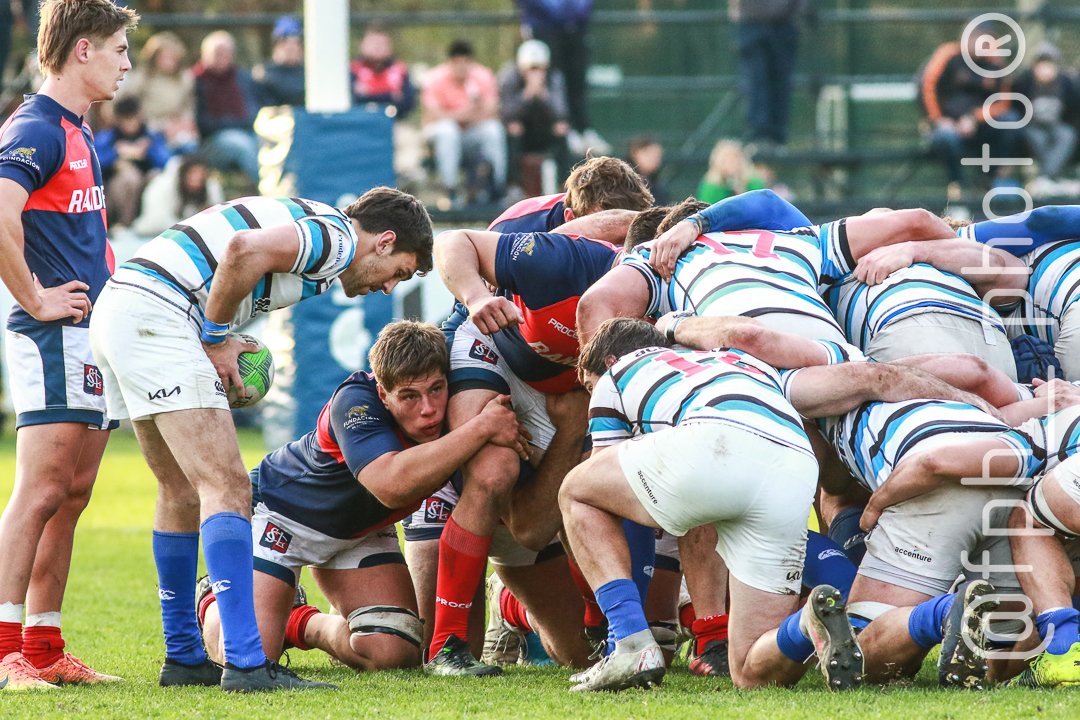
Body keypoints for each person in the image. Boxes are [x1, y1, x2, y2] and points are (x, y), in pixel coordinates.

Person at [87, 187, 434, 692]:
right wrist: (214, 337)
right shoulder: (337, 238)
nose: (388, 287)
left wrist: (219, 332)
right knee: (227, 486)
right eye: (398, 271)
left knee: (180, 491)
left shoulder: (317, 224)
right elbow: (242, 249)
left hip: (123, 308)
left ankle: (183, 655)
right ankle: (247, 665)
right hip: (161, 313)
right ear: (383, 241)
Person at [563, 317, 989, 691]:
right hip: (793, 464)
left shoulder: (617, 375)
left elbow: (604, 487)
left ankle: (629, 642)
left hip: (712, 441)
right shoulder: (740, 361)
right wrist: (984, 406)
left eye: (588, 386)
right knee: (750, 671)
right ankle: (812, 624)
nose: (591, 394)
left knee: (575, 491)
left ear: (608, 361)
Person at [199, 321, 527, 672]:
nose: (429, 408)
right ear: (383, 395)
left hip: (360, 533)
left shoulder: (458, 399)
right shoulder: (355, 401)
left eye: (436, 389)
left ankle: (300, 621)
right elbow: (391, 485)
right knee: (247, 656)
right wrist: (481, 427)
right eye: (409, 396)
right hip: (281, 517)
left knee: (395, 652)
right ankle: (211, 597)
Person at [0, 0, 138, 690]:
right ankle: (4, 653)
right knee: (42, 488)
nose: (127, 64)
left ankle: (45, 646)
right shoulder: (35, 128)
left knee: (74, 493)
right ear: (83, 49)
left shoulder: (77, 130)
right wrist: (33, 298)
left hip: (89, 335)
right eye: (119, 49)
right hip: (51, 335)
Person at [918, 22, 1023, 200]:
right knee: (946, 137)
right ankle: (958, 187)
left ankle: (989, 180)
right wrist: (938, 119)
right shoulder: (948, 55)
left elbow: (1002, 104)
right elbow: (926, 88)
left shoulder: (996, 64)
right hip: (947, 126)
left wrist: (974, 118)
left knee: (1010, 120)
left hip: (980, 128)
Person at [421, 39, 507, 208]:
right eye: (457, 62)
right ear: (450, 62)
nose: (462, 67)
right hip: (442, 135)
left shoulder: (482, 76)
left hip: (472, 132)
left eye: (466, 62)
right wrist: (463, 114)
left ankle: (497, 188)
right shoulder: (435, 78)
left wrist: (466, 116)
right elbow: (433, 114)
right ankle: (450, 190)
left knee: (493, 130)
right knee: (448, 130)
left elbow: (492, 110)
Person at [515, 0, 608, 156]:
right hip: (544, 27)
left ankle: (583, 129)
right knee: (554, 82)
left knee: (577, 83)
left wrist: (572, 13)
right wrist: (558, 11)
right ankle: (567, 129)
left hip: (575, 27)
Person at [729, 0, 806, 148]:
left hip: (783, 22)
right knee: (755, 82)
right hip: (751, 22)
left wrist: (801, 8)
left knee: (780, 84)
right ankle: (759, 138)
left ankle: (776, 139)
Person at [498, 39, 570, 198]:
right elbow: (507, 113)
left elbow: (561, 113)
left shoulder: (554, 78)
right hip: (523, 134)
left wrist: (544, 96)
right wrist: (527, 94)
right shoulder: (510, 77)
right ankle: (513, 185)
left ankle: (565, 184)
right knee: (513, 130)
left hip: (545, 131)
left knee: (562, 131)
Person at [193, 30, 260, 184]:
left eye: (227, 53)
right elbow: (204, 123)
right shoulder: (196, 80)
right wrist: (234, 123)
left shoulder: (241, 78)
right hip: (211, 143)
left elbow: (252, 113)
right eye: (218, 52)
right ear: (205, 54)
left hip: (247, 133)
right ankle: (270, 191)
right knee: (240, 143)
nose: (223, 57)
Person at [1013, 43, 1080, 193]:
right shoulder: (1025, 81)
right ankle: (1049, 179)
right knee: (1037, 138)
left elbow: (1073, 109)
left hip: (1057, 125)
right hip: (1032, 126)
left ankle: (1044, 178)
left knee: (1067, 135)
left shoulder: (1065, 82)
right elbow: (1016, 107)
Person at [95, 96, 171, 227]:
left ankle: (151, 221)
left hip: (145, 183)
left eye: (133, 119)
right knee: (130, 178)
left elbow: (166, 163)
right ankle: (124, 224)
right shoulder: (109, 137)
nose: (130, 124)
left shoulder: (150, 135)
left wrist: (147, 151)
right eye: (126, 120)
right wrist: (116, 153)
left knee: (156, 177)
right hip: (118, 188)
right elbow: (94, 162)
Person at [117, 31, 197, 153]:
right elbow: (127, 107)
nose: (169, 62)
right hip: (149, 129)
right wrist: (159, 126)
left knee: (189, 146)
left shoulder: (185, 80)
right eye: (165, 57)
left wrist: (183, 123)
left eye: (172, 58)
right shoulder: (142, 79)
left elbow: (188, 106)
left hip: (177, 128)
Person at [132, 153, 224, 238]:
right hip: (155, 235)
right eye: (192, 173)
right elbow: (155, 222)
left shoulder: (211, 188)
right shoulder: (161, 187)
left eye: (201, 174)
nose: (197, 178)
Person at [253, 16, 305, 108]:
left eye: (296, 43)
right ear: (275, 46)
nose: (290, 47)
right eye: (285, 43)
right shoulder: (264, 73)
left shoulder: (307, 74)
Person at [696, 139, 767, 204]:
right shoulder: (711, 186)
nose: (731, 163)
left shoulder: (753, 181)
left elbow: (760, 203)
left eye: (734, 159)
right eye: (725, 160)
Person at [627, 135, 668, 206]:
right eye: (650, 154)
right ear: (635, 153)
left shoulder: (658, 187)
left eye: (658, 156)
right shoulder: (623, 182)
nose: (655, 159)